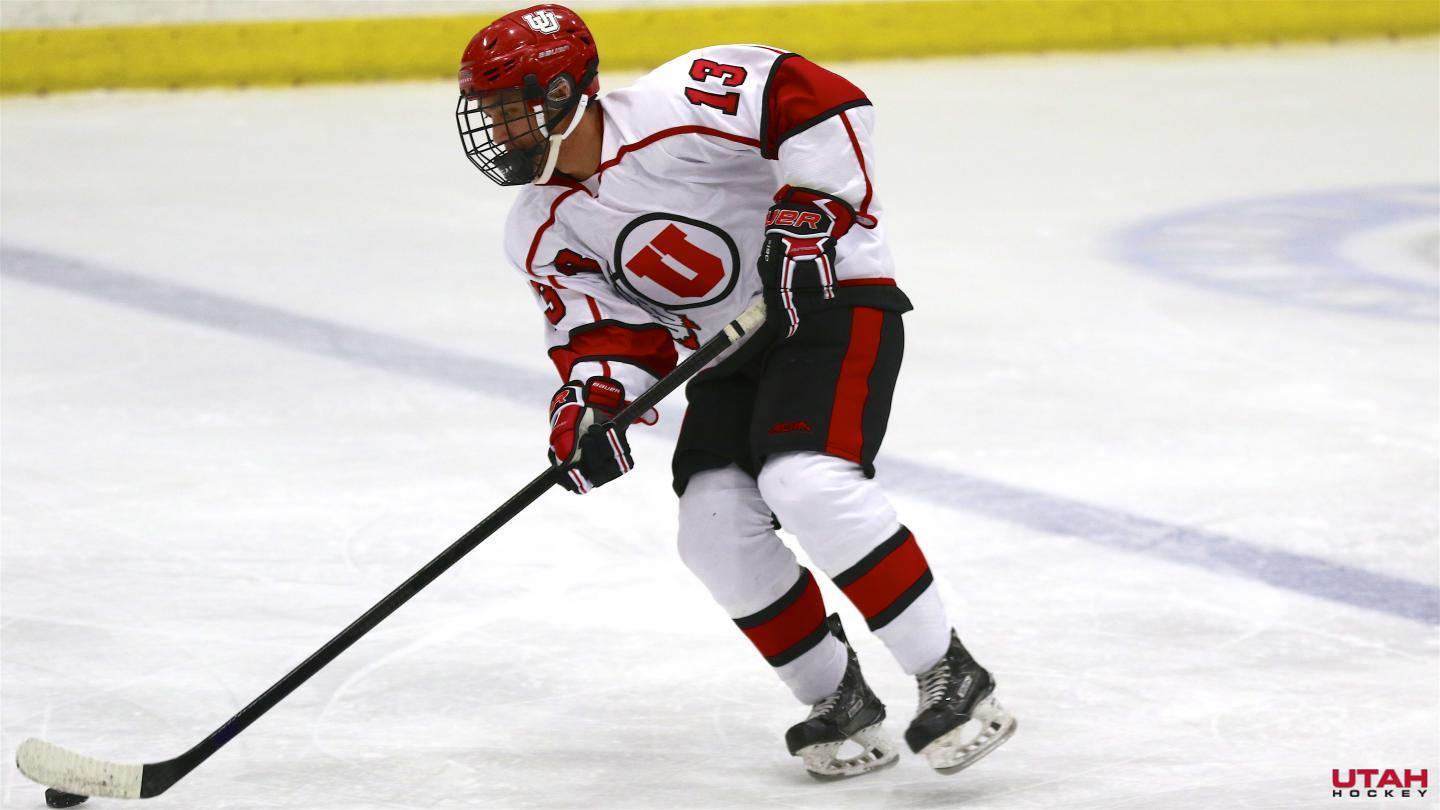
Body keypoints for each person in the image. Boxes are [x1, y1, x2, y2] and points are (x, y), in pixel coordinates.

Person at [455, 4, 1016, 779]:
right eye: (487, 112)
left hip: (827, 301)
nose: (495, 130)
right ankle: (838, 696)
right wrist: (594, 407)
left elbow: (820, 99)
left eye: (507, 109)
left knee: (806, 480)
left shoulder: (678, 100)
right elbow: (611, 335)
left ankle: (951, 674)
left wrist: (816, 202)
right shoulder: (541, 230)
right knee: (711, 528)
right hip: (732, 347)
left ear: (561, 95)